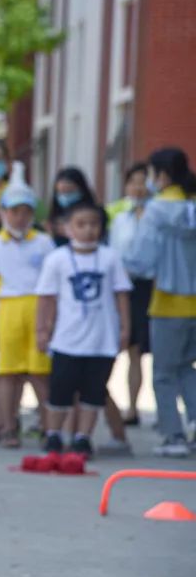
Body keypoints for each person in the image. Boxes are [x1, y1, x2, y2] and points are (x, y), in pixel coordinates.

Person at [35, 199, 132, 458]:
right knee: (60, 392)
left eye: (94, 224)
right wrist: (41, 330)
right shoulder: (57, 259)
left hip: (102, 339)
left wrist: (125, 328)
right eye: (81, 224)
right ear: (67, 228)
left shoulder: (110, 258)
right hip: (67, 338)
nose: (88, 229)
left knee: (93, 392)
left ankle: (82, 438)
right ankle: (54, 435)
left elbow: (121, 295)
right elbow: (46, 298)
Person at [124, 146, 196, 458]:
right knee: (186, 368)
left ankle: (173, 435)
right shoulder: (191, 206)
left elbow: (141, 258)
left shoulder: (156, 210)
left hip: (168, 302)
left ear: (162, 175)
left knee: (164, 373)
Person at [0, 164, 55, 448]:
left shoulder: (44, 244)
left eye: (25, 211)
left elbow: (52, 287)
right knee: (7, 372)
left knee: (39, 372)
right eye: (14, 211)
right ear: (3, 213)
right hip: (8, 308)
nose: (19, 217)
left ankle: (50, 428)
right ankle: (8, 426)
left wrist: (50, 321)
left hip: (37, 307)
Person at [108, 163, 152, 427]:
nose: (138, 187)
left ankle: (132, 407)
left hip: (143, 287)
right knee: (110, 347)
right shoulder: (117, 215)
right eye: (133, 181)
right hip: (116, 286)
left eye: (143, 181)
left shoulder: (156, 216)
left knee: (136, 349)